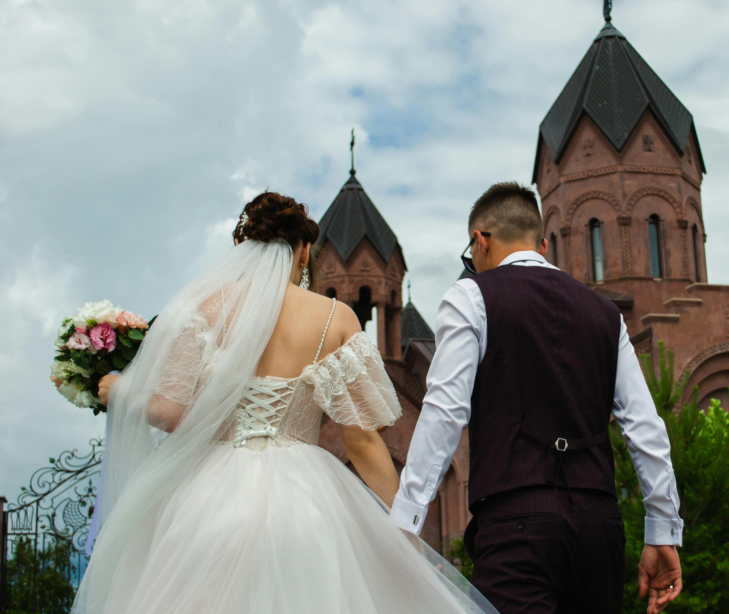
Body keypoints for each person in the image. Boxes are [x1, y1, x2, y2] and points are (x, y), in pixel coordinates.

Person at [75, 192, 494, 614]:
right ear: (305, 251)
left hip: (208, 500)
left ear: (240, 247)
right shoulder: (335, 318)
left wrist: (121, 392)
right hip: (306, 502)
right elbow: (364, 445)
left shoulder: (200, 311)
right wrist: (409, 537)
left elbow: (170, 414)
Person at [389, 182, 684, 614]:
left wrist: (406, 523)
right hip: (599, 530)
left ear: (480, 241)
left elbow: (445, 410)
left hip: (516, 531)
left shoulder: (471, 297)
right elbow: (644, 426)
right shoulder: (605, 314)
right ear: (543, 244)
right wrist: (662, 530)